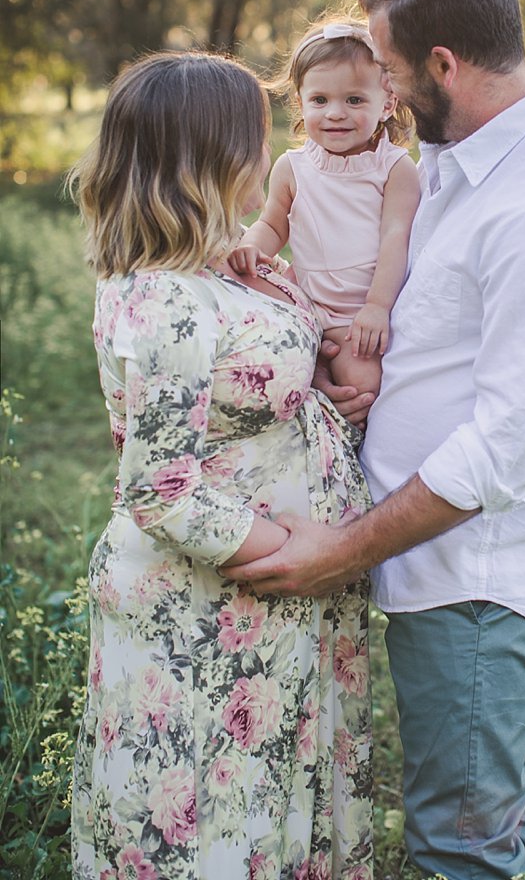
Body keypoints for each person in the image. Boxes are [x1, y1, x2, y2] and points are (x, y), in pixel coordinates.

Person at [223, 0, 525, 880]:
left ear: (444, 66)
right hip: (437, 568)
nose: (388, 101)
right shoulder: (465, 163)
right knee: (488, 825)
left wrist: (343, 548)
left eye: (396, 78)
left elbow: (504, 450)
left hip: (475, 582)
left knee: (463, 845)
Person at [68, 52, 373, 880]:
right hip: (215, 605)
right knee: (209, 827)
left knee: (262, 819)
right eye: (256, 135)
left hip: (266, 608)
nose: (269, 150)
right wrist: (295, 545)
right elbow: (160, 488)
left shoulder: (223, 266)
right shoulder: (165, 295)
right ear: (210, 153)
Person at [229, 20, 420, 395]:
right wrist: (252, 247)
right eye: (320, 100)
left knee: (362, 383)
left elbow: (396, 238)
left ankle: (345, 441)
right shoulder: (292, 166)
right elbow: (272, 224)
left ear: (387, 103)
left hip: (358, 313)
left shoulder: (395, 168)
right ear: (300, 103)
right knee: (258, 348)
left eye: (354, 100)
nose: (335, 113)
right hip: (302, 300)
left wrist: (377, 306)